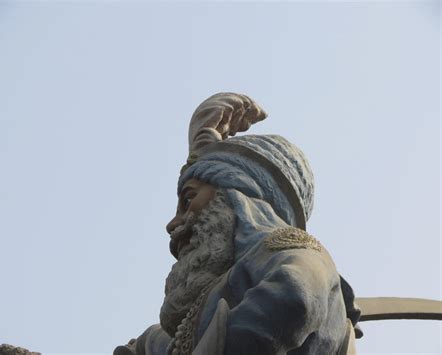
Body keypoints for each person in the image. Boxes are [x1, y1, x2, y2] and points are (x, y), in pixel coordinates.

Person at [114, 93, 360, 355]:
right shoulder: (205, 305)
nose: (174, 224)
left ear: (237, 198)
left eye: (189, 199)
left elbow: (294, 297)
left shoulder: (296, 253)